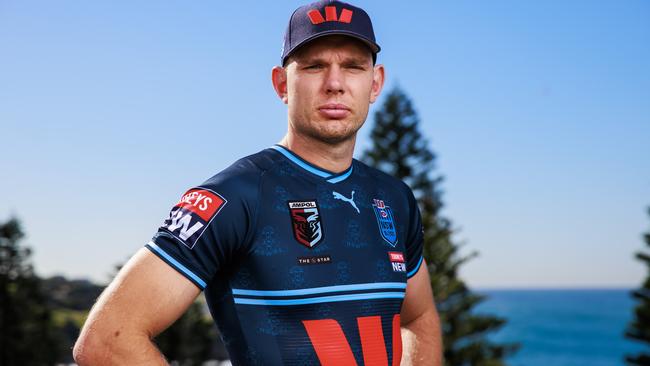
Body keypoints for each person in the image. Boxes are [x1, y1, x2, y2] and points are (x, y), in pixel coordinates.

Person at [74, 1, 442, 365]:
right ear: (282, 84)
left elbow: (418, 317)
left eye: (352, 67)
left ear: (375, 83)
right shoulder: (236, 196)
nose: (335, 84)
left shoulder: (394, 199)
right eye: (314, 67)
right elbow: (107, 339)